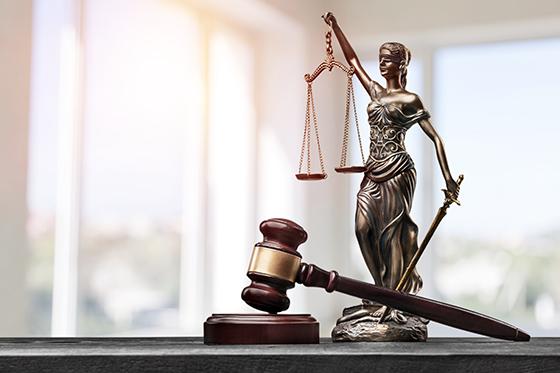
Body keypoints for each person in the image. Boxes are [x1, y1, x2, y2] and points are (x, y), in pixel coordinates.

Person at [323, 12, 460, 323]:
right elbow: (354, 61)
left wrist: (449, 179)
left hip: (398, 170)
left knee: (390, 237)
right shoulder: (375, 91)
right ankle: (379, 291)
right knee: (362, 229)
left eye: (388, 60)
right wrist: (336, 27)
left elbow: (435, 138)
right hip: (373, 171)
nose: (382, 64)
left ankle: (392, 301)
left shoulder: (410, 99)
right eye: (381, 59)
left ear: (401, 65)